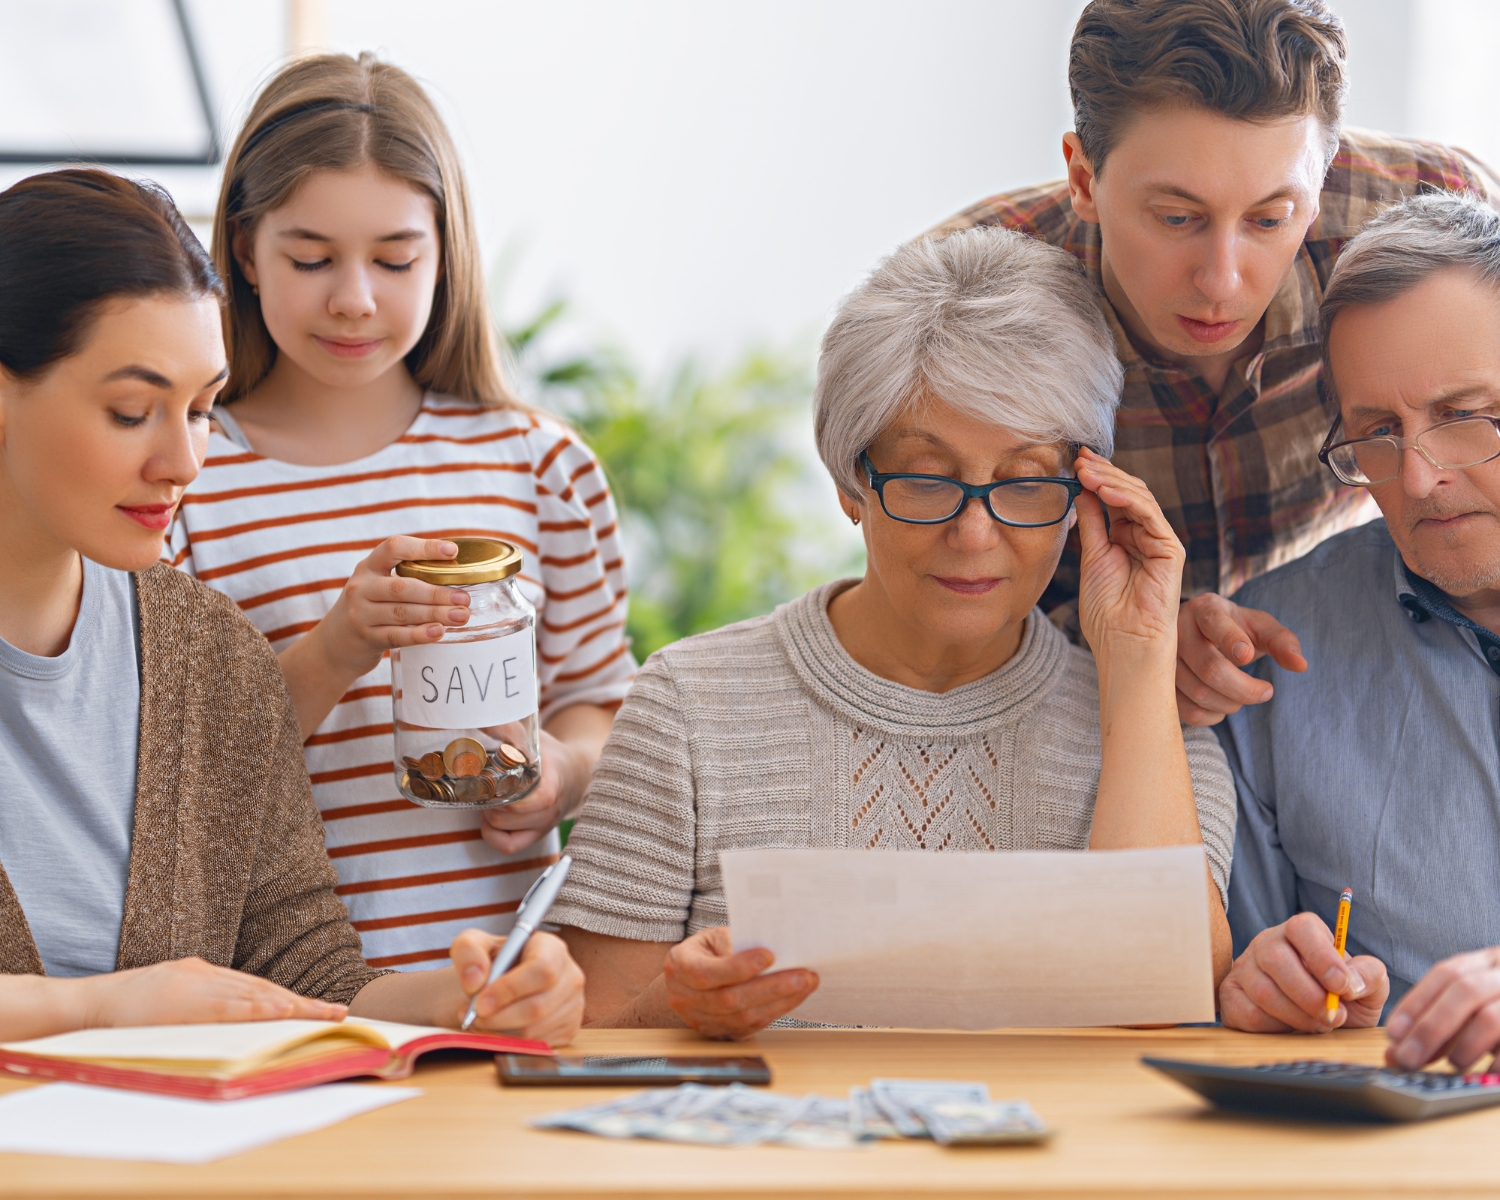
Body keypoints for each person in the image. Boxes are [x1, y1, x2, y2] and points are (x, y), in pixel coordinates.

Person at [548, 226, 1237, 1039]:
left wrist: (1141, 650)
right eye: (927, 479)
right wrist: (679, 1008)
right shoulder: (686, 707)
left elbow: (1162, 1008)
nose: (975, 535)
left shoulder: (1158, 729)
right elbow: (586, 1031)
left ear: (1084, 494)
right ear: (852, 483)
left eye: (1022, 484)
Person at [0, 168, 582, 1045]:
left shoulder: (207, 651)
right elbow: (137, 1003)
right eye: (131, 412)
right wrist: (94, 1007)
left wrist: (463, 997)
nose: (184, 462)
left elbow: (304, 971)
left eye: (200, 410)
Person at [167, 53, 634, 971]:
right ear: (248, 254)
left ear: (446, 253)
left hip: (509, 981)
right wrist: (339, 644)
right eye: (311, 258)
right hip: (284, 989)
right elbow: (183, 779)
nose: (354, 298)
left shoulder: (538, 466)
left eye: (395, 258)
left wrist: (561, 772)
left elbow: (601, 703)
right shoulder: (186, 476)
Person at [929, 0, 1496, 687]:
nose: (1221, 281)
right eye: (1176, 217)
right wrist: (1118, 643)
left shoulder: (1437, 222)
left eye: (1269, 218)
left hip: (1357, 665)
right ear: (1083, 178)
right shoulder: (962, 307)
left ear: (1322, 178)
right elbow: (930, 587)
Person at [1214, 191, 1500, 1074]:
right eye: (1378, 432)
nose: (1416, 478)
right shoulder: (1272, 650)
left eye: (1462, 415)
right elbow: (1253, 1002)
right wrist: (1260, 987)